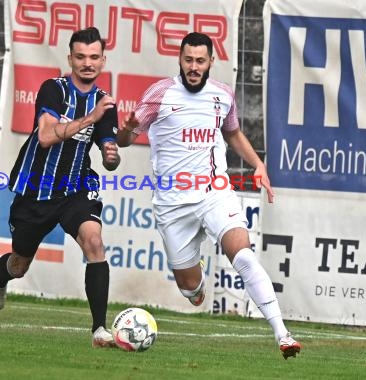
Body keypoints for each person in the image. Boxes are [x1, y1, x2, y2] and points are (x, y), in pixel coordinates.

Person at [116, 32, 301, 359]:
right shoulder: (160, 94)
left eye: (200, 61)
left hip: (214, 193)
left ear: (211, 62)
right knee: (192, 292)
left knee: (242, 256)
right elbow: (125, 139)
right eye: (188, 60)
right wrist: (128, 128)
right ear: (180, 59)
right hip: (173, 205)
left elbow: (231, 132)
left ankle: (282, 334)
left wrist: (258, 163)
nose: (194, 67)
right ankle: (195, 283)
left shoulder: (222, 96)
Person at [0, 27, 120, 348]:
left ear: (103, 60)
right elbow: (46, 137)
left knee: (94, 241)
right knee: (19, 264)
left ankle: (99, 330)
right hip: (37, 190)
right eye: (80, 57)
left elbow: (110, 157)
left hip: (75, 188)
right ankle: (1, 275)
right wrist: (90, 118)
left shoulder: (104, 102)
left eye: (94, 57)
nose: (87, 63)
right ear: (70, 58)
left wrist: (112, 152)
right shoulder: (54, 90)